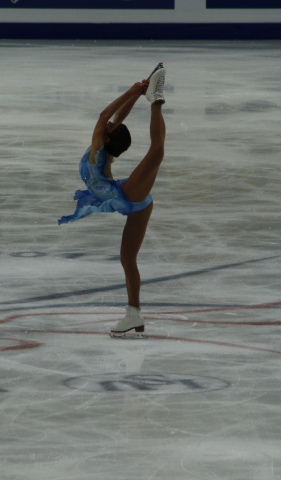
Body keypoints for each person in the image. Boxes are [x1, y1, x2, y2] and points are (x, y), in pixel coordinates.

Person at [58, 63, 166, 339]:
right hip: (130, 202)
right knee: (127, 258)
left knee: (157, 152)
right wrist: (136, 94)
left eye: (108, 128)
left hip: (129, 196)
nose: (108, 124)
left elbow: (105, 115)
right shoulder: (103, 147)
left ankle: (157, 101)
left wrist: (133, 91)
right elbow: (116, 118)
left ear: (105, 138)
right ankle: (134, 314)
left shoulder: (98, 148)